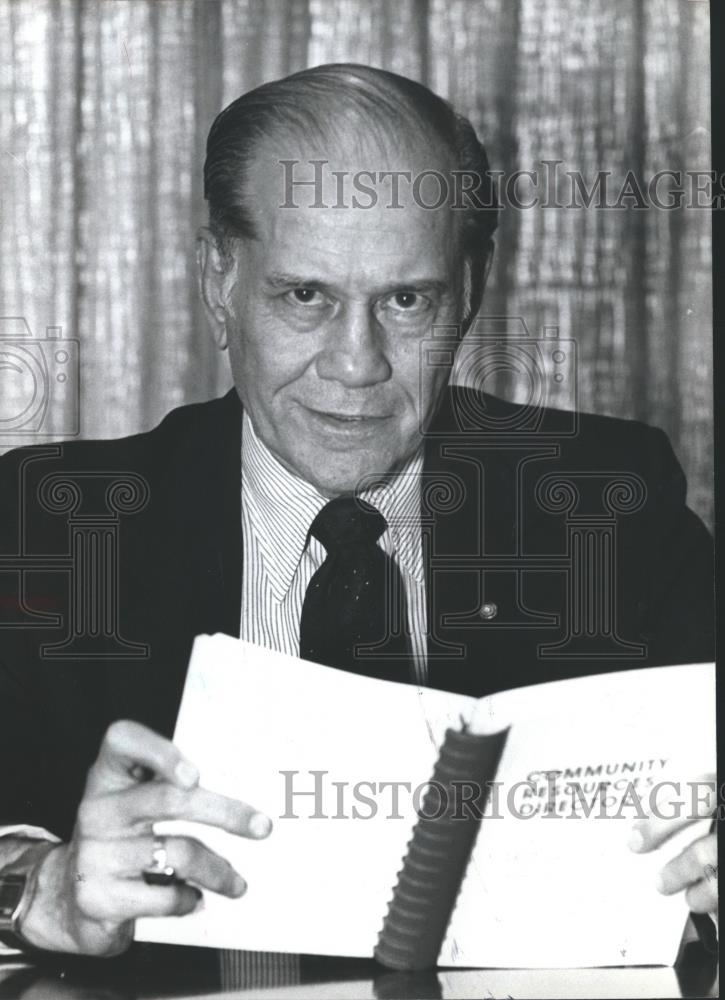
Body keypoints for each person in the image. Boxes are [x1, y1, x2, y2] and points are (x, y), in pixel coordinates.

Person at [0, 63, 716, 958]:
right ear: (219, 278)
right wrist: (43, 888)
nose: (355, 365)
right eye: (306, 297)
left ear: (471, 288)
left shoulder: (608, 505)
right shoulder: (47, 524)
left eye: (405, 301)